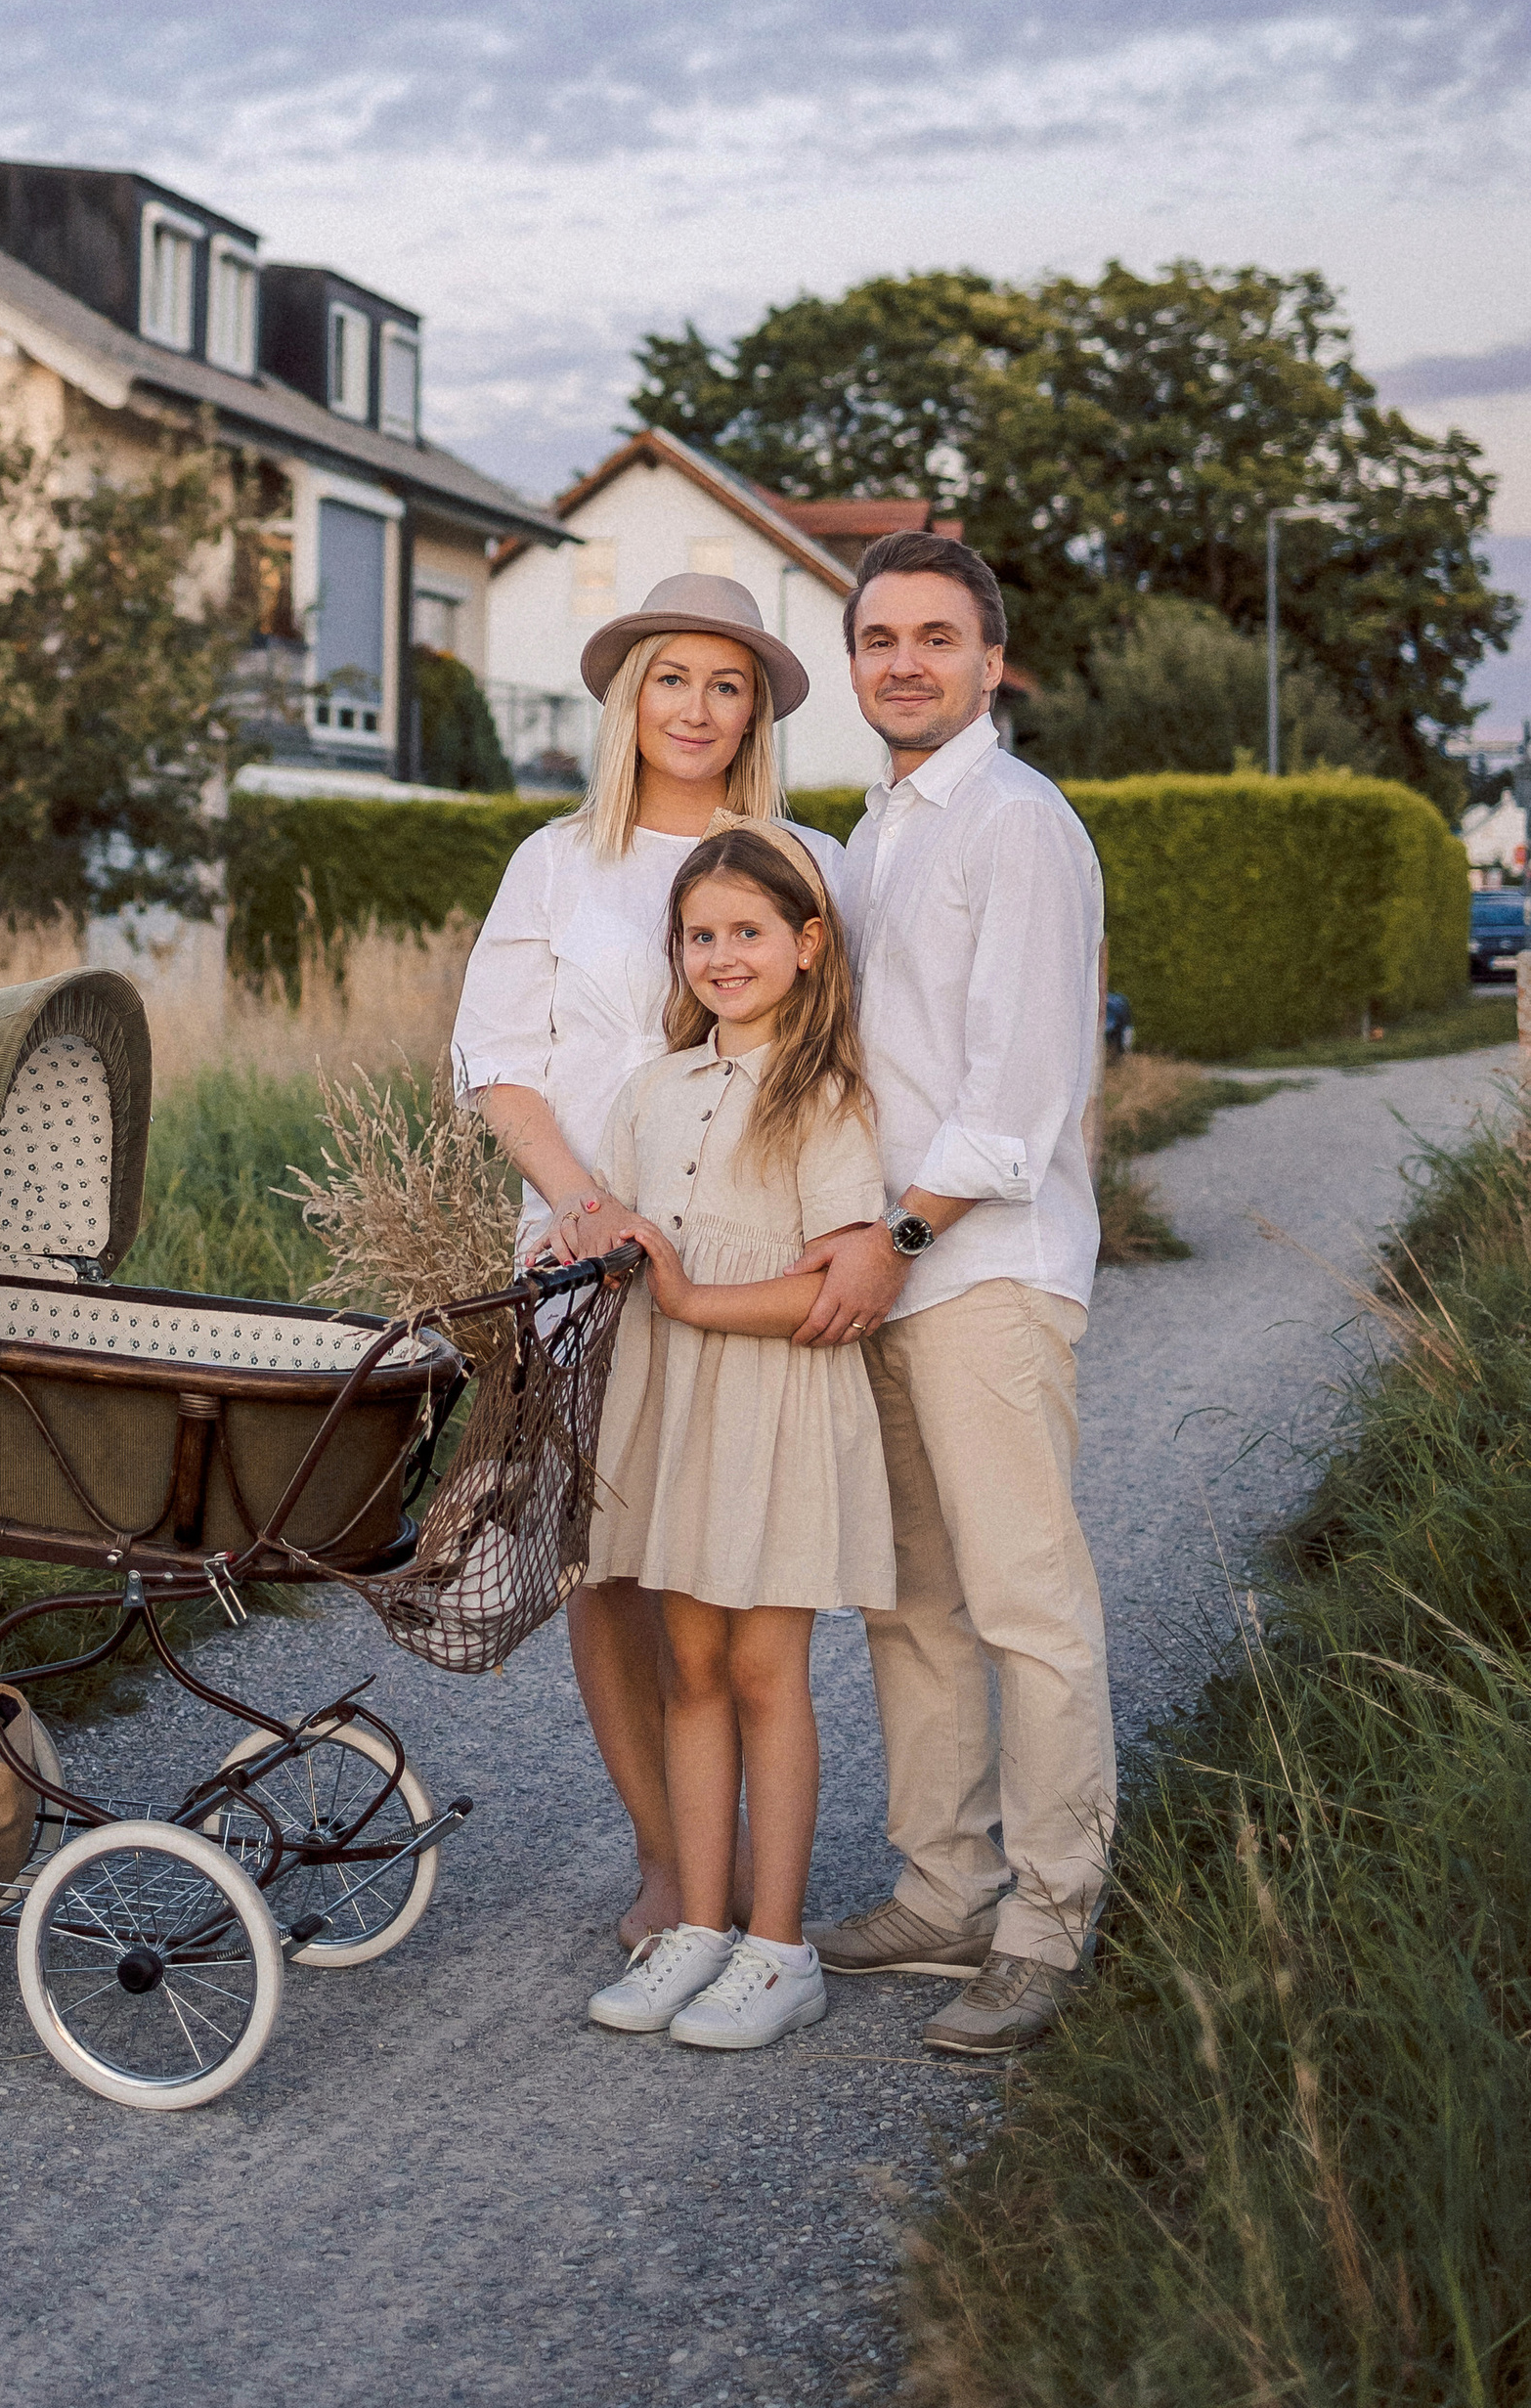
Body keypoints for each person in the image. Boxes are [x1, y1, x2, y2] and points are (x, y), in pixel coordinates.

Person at [450, 571, 847, 1950]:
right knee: (609, 1562)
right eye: (672, 678)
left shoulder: (808, 860)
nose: (697, 706)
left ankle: (773, 1881)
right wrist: (584, 1203)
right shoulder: (556, 862)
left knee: (727, 1563)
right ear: (631, 697)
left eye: (726, 684)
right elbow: (497, 1066)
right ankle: (676, 1869)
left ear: (755, 714)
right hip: (582, 1246)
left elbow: (842, 1058)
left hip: (744, 1250)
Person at [794, 530, 1115, 2060]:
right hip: (894, 1273)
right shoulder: (878, 834)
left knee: (1026, 1606)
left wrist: (896, 1238)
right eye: (880, 640)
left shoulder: (1016, 824)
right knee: (910, 1603)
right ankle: (943, 1889)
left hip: (982, 1272)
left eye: (936, 637)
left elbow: (1020, 1101)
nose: (905, 662)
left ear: (993, 661)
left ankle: (1049, 1924)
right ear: (855, 665)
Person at [538, 825, 894, 2051]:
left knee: (758, 1673)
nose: (721, 956)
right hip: (671, 1405)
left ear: (806, 947)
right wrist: (585, 1240)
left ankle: (778, 1948)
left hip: (772, 1408)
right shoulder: (657, 1088)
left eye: (748, 933)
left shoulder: (827, 1095)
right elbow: (626, 1231)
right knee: (685, 1668)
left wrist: (691, 1297)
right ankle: (696, 1922)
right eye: (701, 935)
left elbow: (828, 1291)